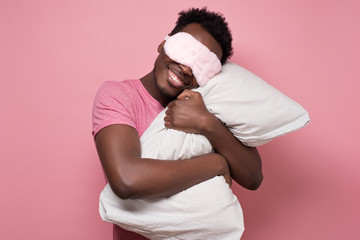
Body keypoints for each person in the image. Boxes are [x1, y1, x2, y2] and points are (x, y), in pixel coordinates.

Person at [92, 7, 263, 240]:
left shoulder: (208, 107)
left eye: (201, 64)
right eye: (185, 51)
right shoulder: (119, 96)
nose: (185, 68)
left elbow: (253, 177)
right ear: (163, 44)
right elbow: (126, 179)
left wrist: (206, 123)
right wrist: (215, 163)